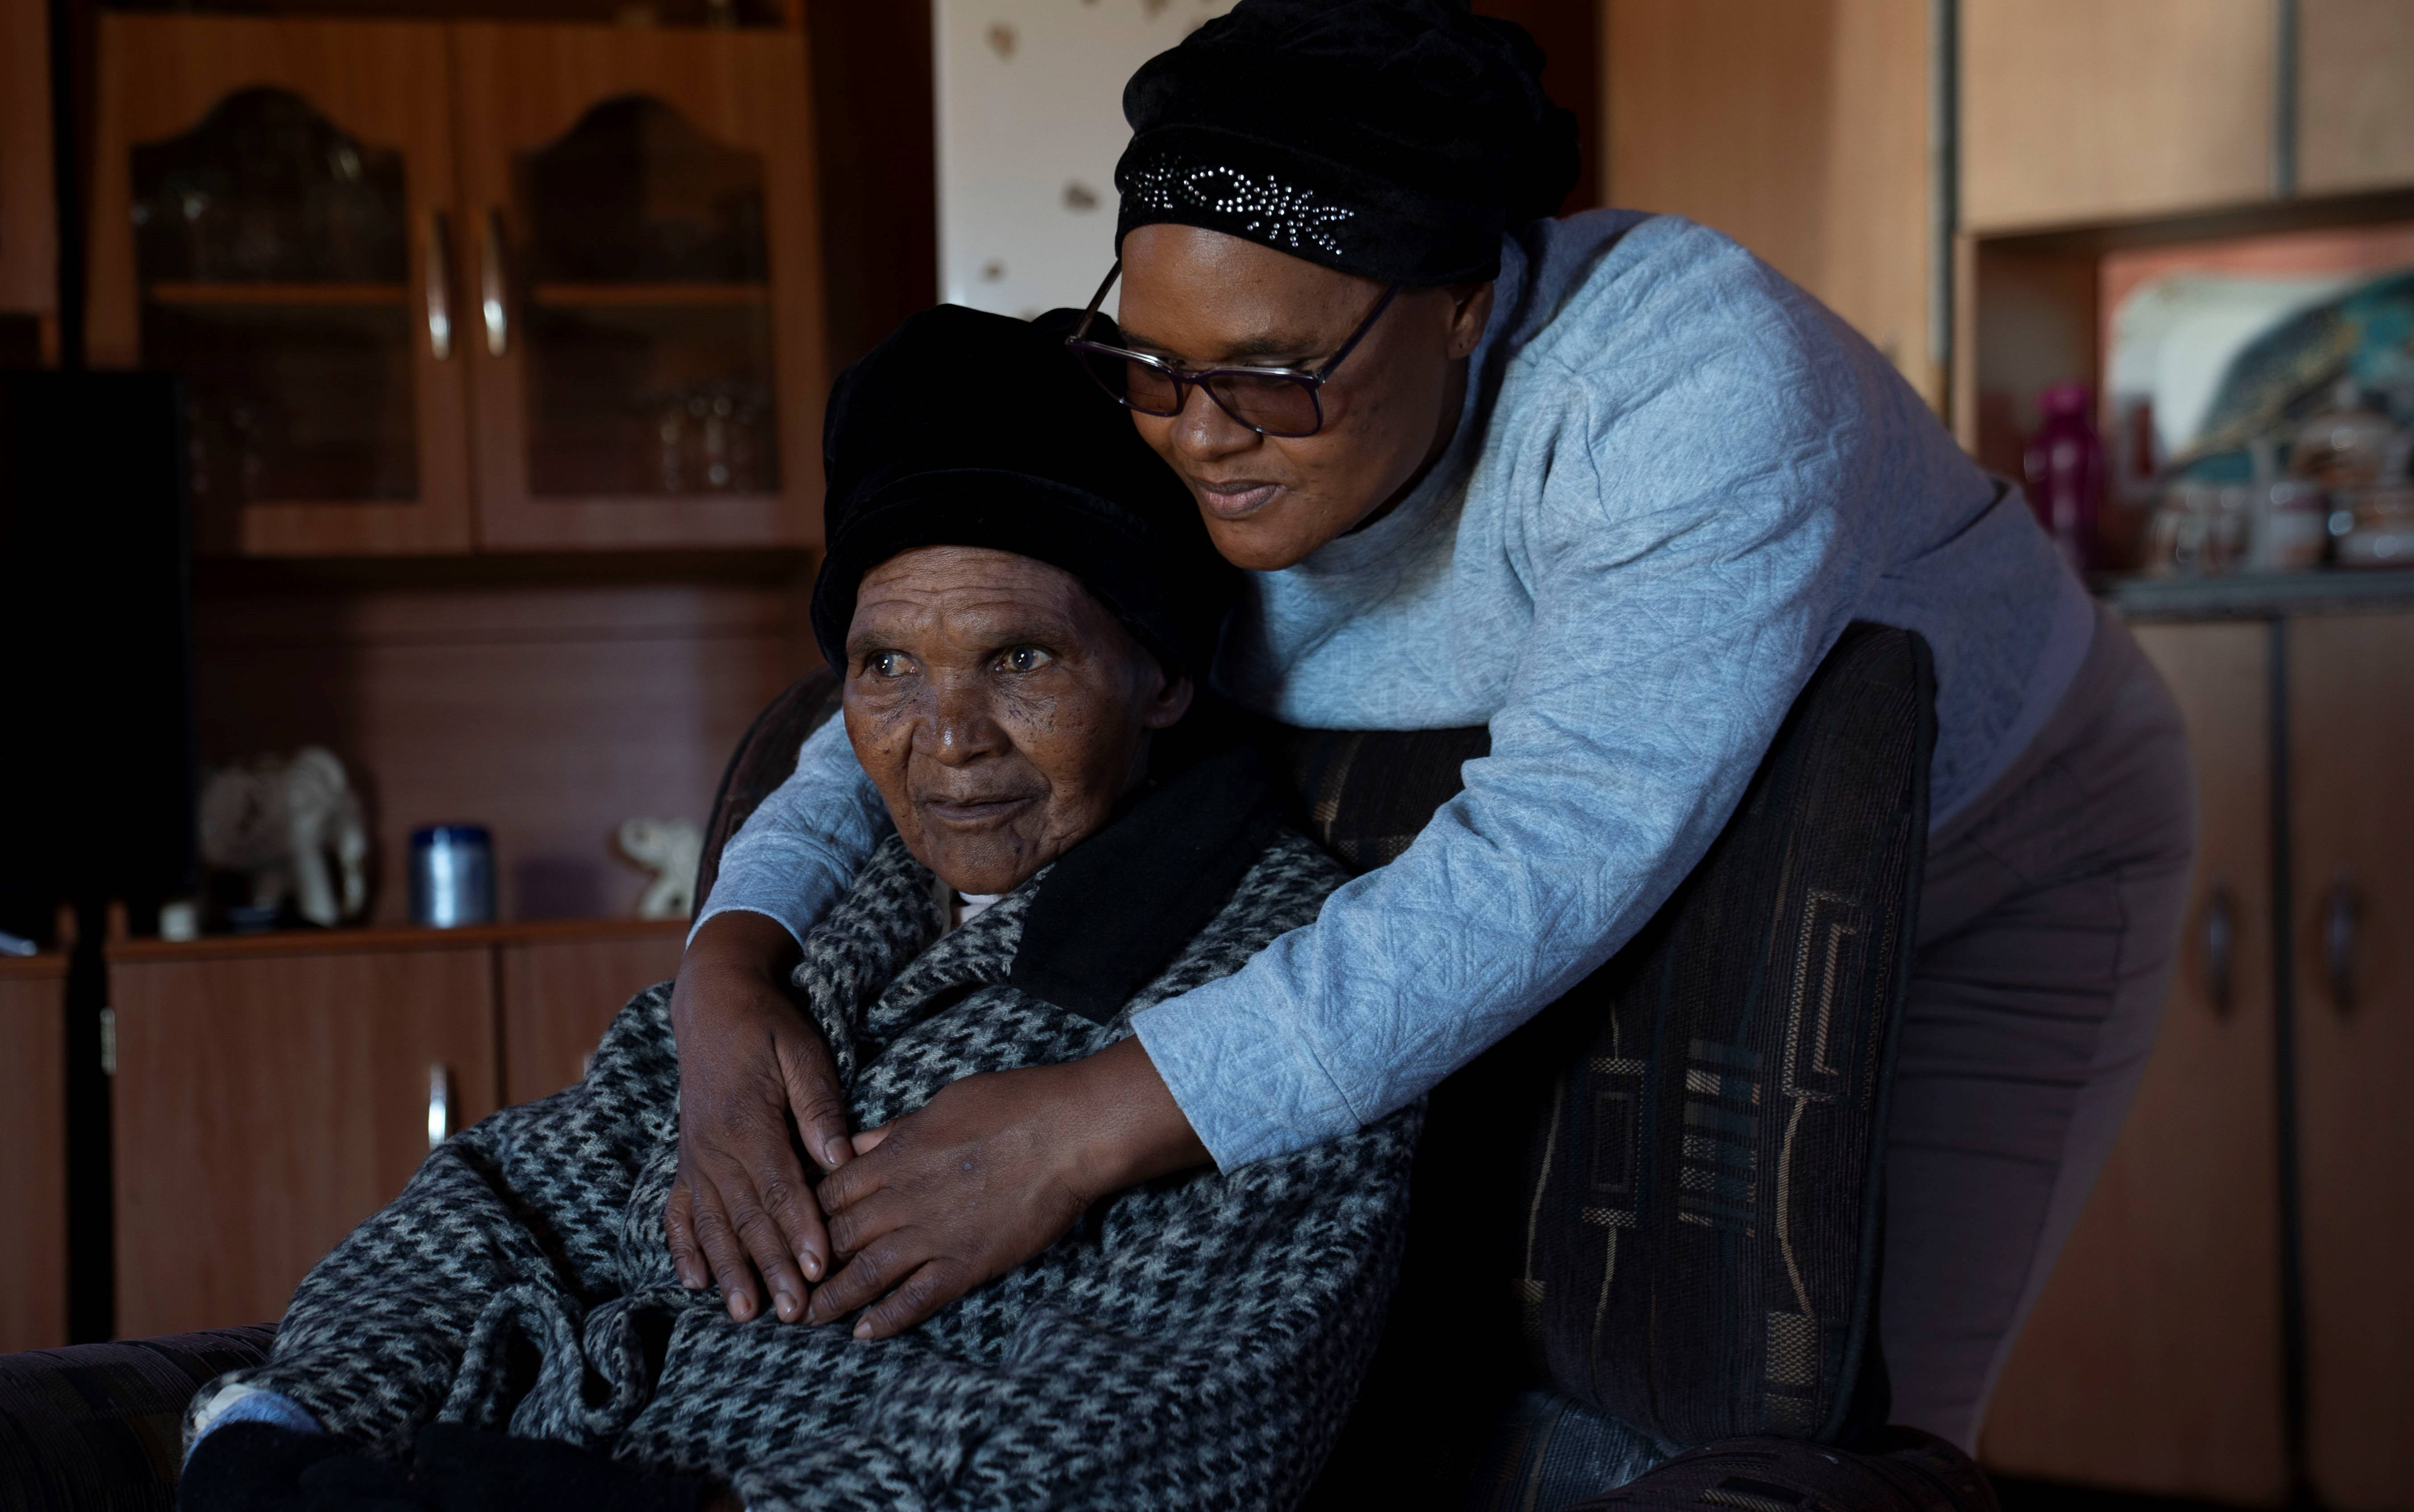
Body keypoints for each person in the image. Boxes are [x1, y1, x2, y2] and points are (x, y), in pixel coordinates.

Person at [670, 0, 2196, 1452]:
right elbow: (910, 686)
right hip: (1562, 882)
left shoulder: (1683, 391)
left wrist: (1077, 1126)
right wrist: (728, 976)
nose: (1201, 439)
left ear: (1466, 306)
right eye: (1157, 362)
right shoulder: (1164, 383)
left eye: (1274, 377)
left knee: (1849, 1427)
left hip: (1996, 848)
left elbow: (1559, 843)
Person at [173, 305, 1421, 1512]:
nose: (946, 745)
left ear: (1160, 678)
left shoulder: (1289, 1005)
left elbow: (1156, 1431)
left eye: (1020, 660)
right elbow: (509, 1193)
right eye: (889, 667)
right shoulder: (839, 918)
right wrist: (289, 1424)